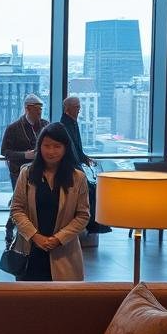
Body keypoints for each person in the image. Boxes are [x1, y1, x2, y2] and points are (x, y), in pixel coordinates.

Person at [8, 122, 91, 281]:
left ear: (65, 148)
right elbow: (17, 209)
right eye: (46, 146)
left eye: (57, 146)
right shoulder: (27, 173)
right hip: (30, 251)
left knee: (61, 303)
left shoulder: (77, 177)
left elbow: (83, 216)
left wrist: (58, 239)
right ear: (39, 147)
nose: (51, 151)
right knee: (29, 302)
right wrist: (35, 236)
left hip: (64, 251)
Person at [1, 93, 47, 246]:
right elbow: (5, 152)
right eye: (36, 110)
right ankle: (11, 227)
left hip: (41, 171)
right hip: (19, 172)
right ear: (27, 109)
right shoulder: (13, 128)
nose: (39, 114)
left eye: (40, 110)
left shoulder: (46, 126)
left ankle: (29, 231)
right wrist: (25, 155)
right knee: (20, 201)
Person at [61, 95, 111, 234]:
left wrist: (85, 159)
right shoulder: (65, 126)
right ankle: (94, 224)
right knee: (90, 190)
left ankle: (95, 224)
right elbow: (70, 152)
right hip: (71, 169)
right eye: (77, 107)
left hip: (75, 167)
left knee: (92, 189)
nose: (79, 110)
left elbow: (77, 149)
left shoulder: (71, 123)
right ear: (68, 109)